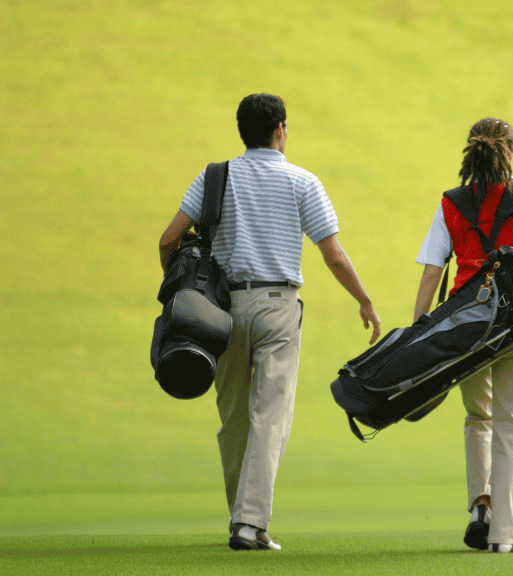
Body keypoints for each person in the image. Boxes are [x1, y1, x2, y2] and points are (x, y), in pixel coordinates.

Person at [158, 93, 382, 550]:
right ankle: (250, 523)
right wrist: (364, 300)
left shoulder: (214, 177)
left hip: (219, 310)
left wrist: (184, 289)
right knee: (270, 415)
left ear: (243, 131)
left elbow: (169, 239)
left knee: (234, 417)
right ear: (280, 129)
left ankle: (241, 519)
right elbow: (334, 255)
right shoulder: (303, 181)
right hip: (278, 306)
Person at [413, 118, 513, 554]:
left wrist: (418, 331)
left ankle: (480, 505)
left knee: (478, 418)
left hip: (465, 329)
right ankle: (503, 535)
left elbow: (433, 272)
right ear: (510, 150)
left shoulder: (451, 202)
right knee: (511, 429)